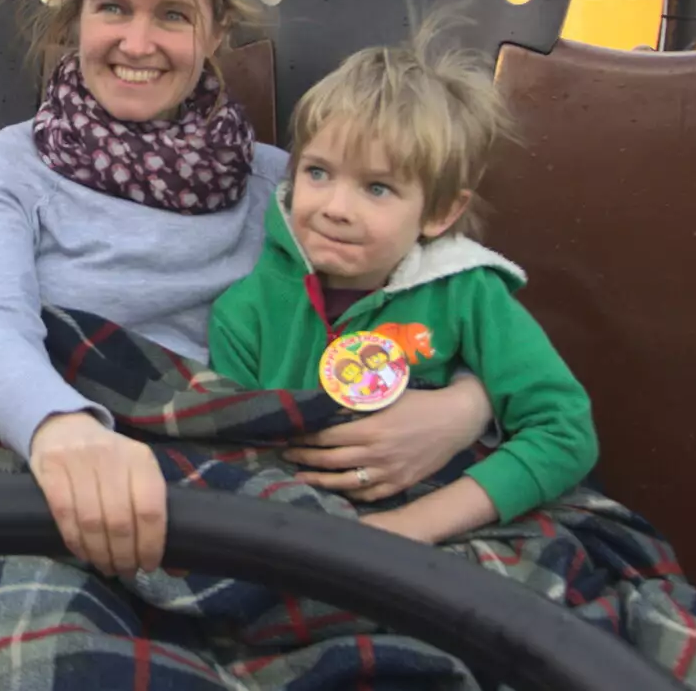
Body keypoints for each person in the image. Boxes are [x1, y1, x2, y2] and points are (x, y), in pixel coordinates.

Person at [0, 0, 497, 580]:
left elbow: (451, 298)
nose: (137, 43)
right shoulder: (5, 172)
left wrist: (463, 407)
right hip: (73, 442)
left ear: (215, 32)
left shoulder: (292, 186)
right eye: (113, 7)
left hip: (246, 456)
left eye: (172, 15)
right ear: (77, 14)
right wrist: (61, 429)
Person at [208, 37, 599, 544]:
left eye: (377, 188)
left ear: (440, 213)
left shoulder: (469, 294)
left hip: (445, 524)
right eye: (318, 172)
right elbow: (232, 457)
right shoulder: (245, 313)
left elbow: (564, 431)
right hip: (295, 526)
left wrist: (412, 528)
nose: (335, 207)